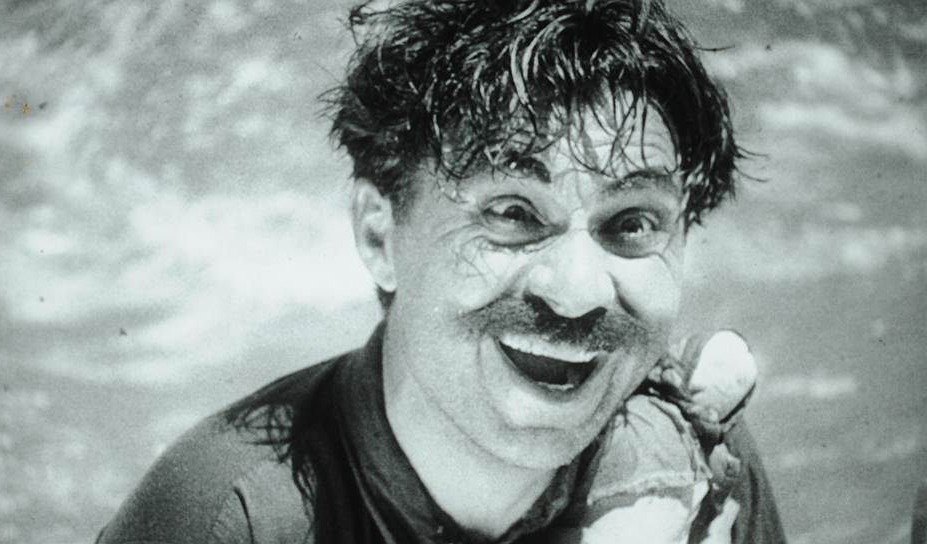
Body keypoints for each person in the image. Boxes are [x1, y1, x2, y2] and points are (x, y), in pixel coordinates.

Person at [96, 1, 786, 542]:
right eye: (512, 213)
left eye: (631, 223)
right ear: (379, 235)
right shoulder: (225, 519)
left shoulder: (693, 460)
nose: (577, 292)